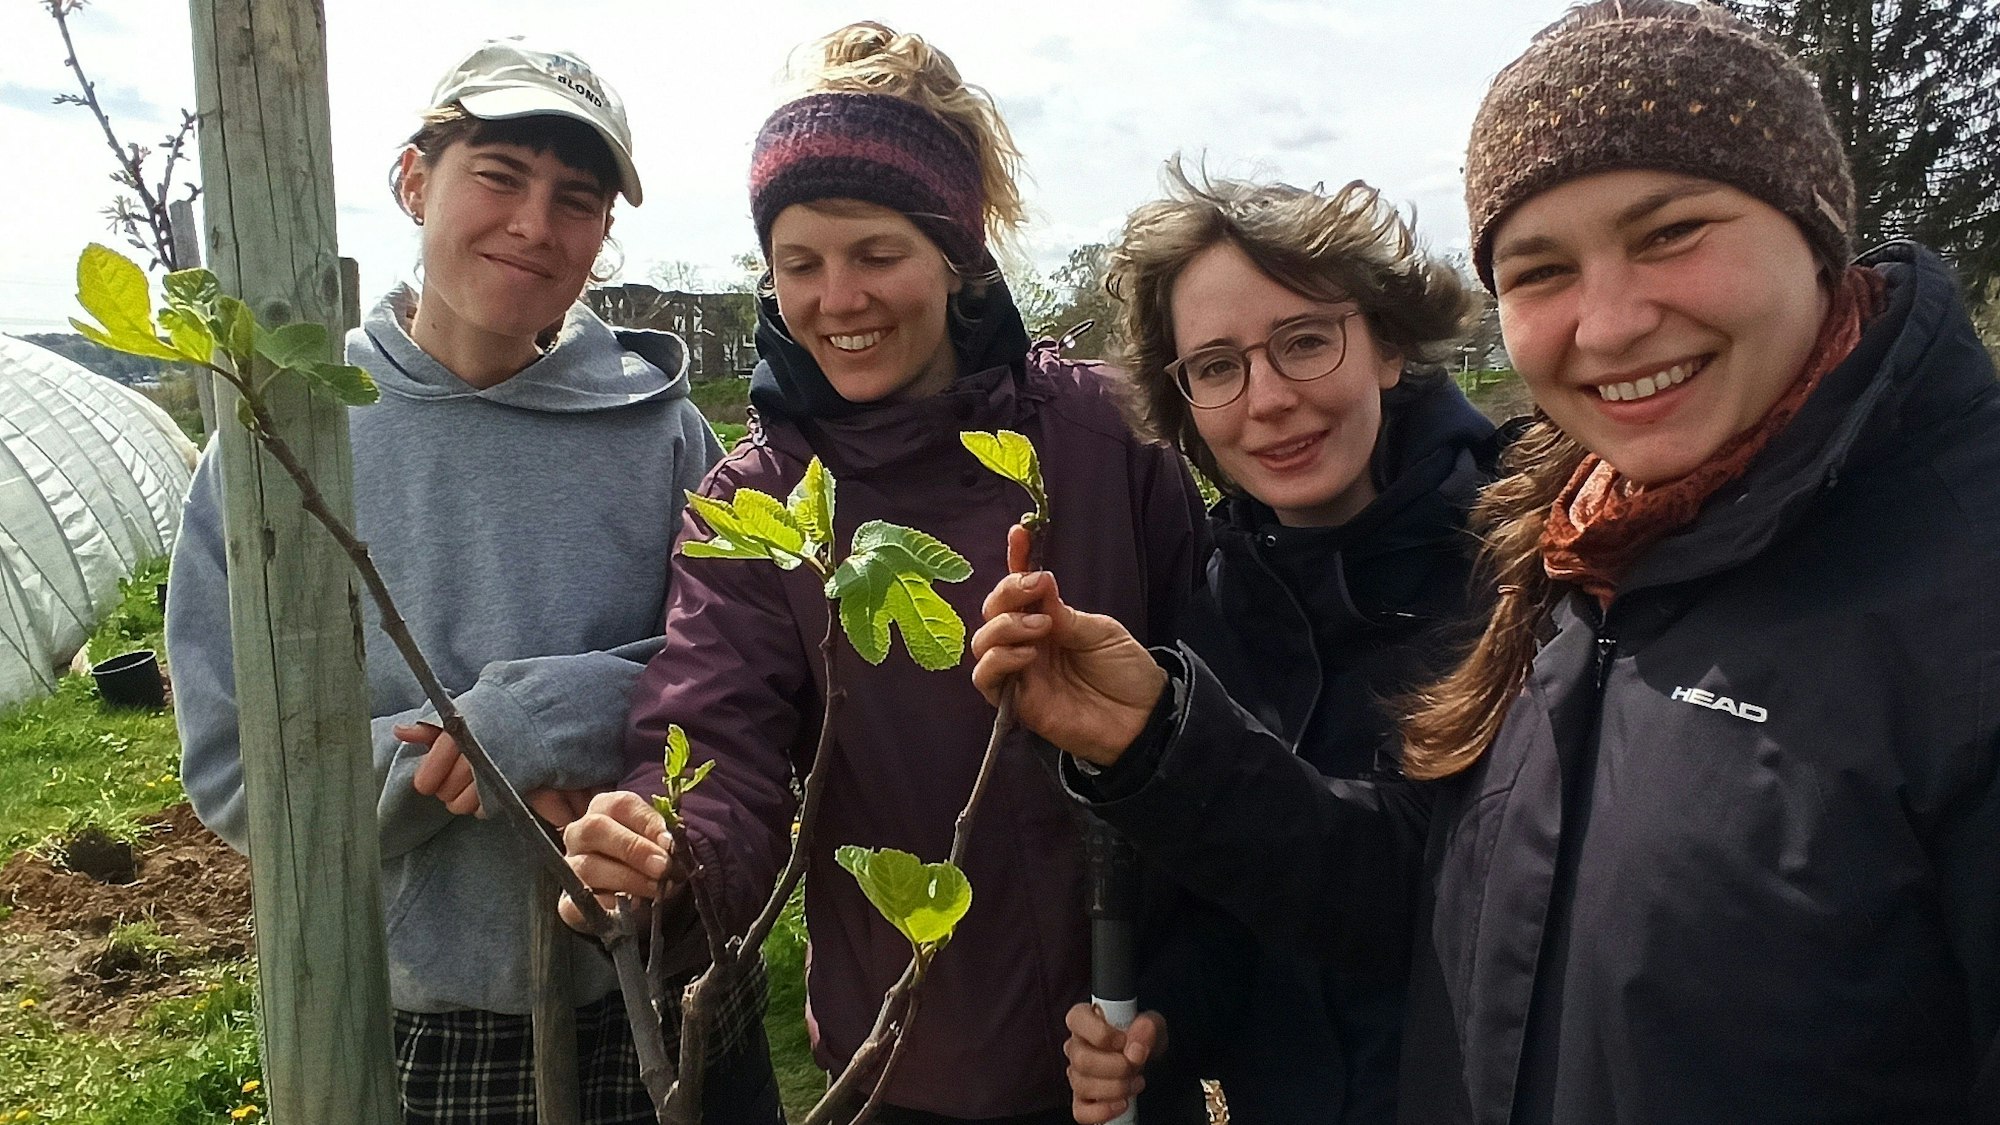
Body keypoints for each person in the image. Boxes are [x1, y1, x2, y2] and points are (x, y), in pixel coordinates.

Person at [974, 3, 2000, 1122]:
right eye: (1541, 268)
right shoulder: (1580, 570)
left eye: (1669, 233)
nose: (1605, 325)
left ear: (1386, 339)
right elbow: (1425, 898)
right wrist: (1154, 752)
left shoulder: (1516, 564)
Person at [557, 22, 1204, 1124]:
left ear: (952, 261)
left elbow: (1220, 695)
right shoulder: (757, 509)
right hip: (905, 1057)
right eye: (797, 265)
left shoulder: (1106, 442)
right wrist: (669, 856)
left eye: (875, 255)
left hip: (1123, 1029)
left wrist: (1191, 992)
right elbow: (717, 737)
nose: (836, 300)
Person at [168, 38, 775, 1124]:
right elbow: (235, 768)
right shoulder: (287, 439)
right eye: (497, 176)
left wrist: (545, 716)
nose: (533, 225)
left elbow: (736, 678)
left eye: (575, 200)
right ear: (413, 180)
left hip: (677, 981)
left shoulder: (665, 437)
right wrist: (457, 766)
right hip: (436, 1022)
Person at [1053, 166, 1494, 1125]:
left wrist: (1169, 748)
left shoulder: (1517, 576)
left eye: (1303, 341)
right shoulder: (1216, 602)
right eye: (1216, 366)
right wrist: (1159, 1024)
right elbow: (1239, 925)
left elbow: (1443, 905)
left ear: (1385, 343)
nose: (1268, 399)